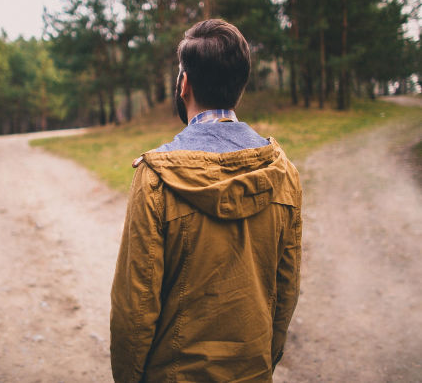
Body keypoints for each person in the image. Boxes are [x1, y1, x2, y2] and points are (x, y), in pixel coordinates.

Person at [110, 19, 302, 382]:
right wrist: (266, 361)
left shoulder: (155, 178)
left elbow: (135, 306)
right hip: (253, 371)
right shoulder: (284, 173)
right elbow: (286, 287)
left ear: (183, 84)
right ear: (240, 87)